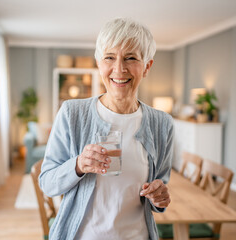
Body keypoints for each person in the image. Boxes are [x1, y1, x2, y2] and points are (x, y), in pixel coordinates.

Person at [39, 17, 174, 240]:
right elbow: (47, 182)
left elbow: (160, 192)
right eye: (109, 57)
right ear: (99, 63)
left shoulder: (162, 124)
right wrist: (78, 165)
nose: (119, 69)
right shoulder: (72, 113)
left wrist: (160, 197)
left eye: (131, 58)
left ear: (147, 66)